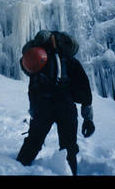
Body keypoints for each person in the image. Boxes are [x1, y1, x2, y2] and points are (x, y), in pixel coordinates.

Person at [16, 30, 95, 176]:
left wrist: (33, 110)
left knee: (33, 142)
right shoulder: (70, 61)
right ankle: (71, 172)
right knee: (68, 145)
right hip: (65, 105)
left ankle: (16, 169)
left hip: (42, 106)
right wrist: (88, 119)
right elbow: (85, 90)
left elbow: (33, 89)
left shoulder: (39, 62)